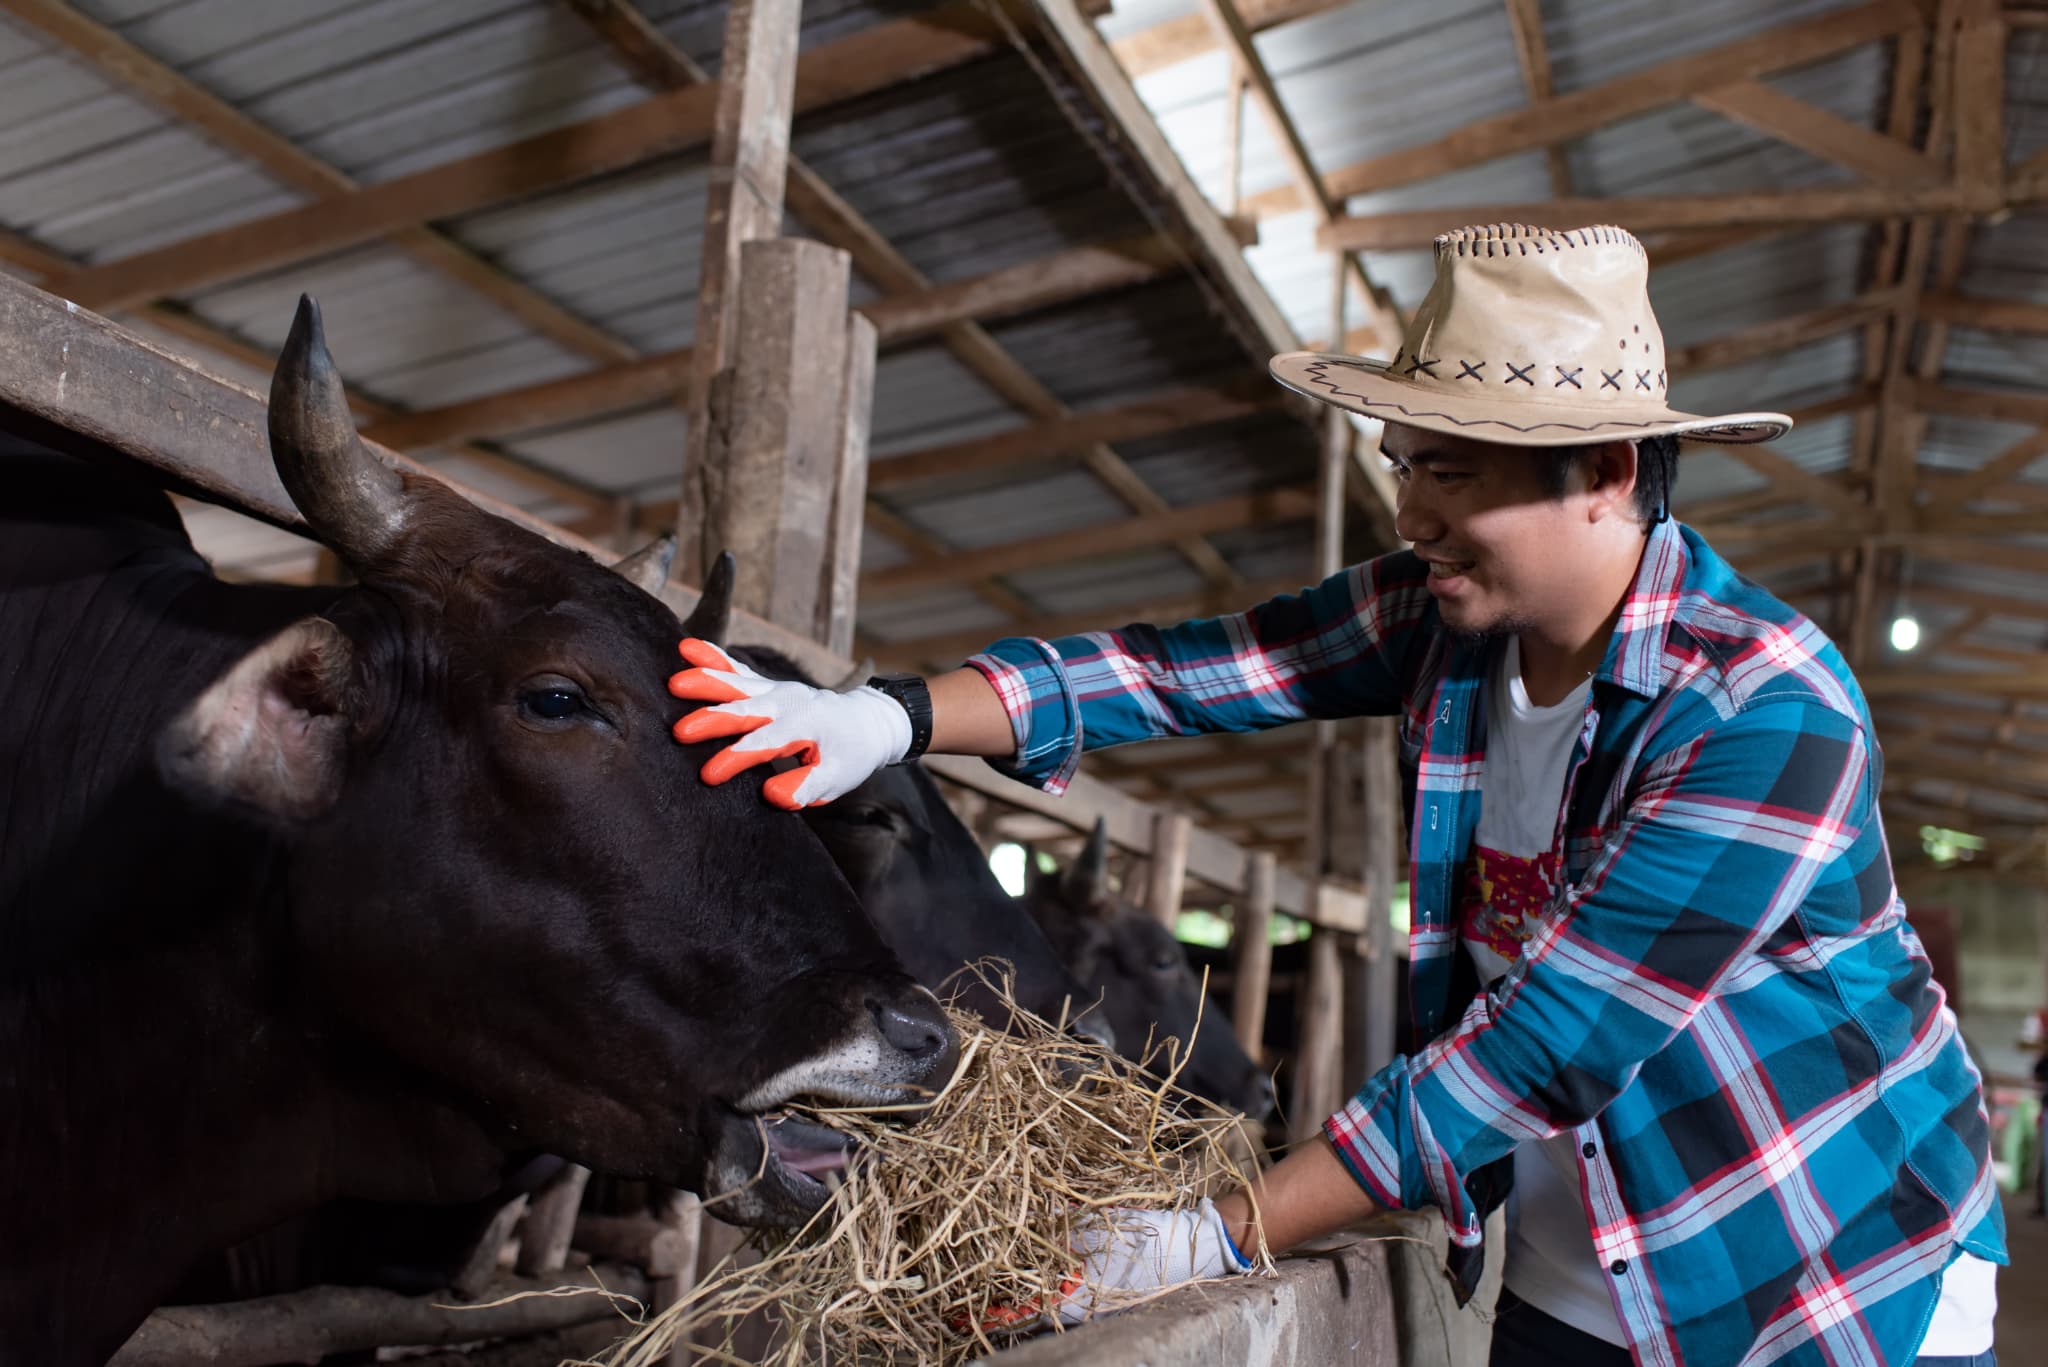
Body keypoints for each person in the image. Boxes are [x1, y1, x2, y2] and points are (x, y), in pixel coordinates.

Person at [668, 223, 2006, 1366]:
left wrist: (1217, 1230)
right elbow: (1183, 671)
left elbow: (1543, 1046)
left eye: (1455, 471)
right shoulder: (1443, 617)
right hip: (1570, 1250)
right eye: (1405, 460)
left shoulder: (1765, 711)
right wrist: (879, 718)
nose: (1412, 511)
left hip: (1817, 1261)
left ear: (1604, 475)